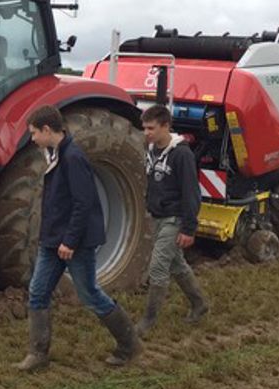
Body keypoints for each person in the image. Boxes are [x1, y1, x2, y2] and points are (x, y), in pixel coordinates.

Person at [14, 105, 141, 371]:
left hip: (75, 242)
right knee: (37, 293)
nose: (33, 139)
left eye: (35, 133)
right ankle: (38, 354)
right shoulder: (56, 154)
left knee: (90, 294)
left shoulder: (73, 157)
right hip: (52, 241)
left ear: (48, 130)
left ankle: (129, 344)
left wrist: (70, 241)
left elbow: (83, 203)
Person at [135, 105, 208, 337]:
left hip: (174, 218)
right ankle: (200, 304)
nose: (146, 132)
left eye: (151, 128)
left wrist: (189, 227)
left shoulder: (182, 154)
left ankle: (148, 320)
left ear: (166, 126)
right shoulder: (151, 149)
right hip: (157, 217)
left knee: (157, 267)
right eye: (144, 128)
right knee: (177, 264)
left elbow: (191, 193)